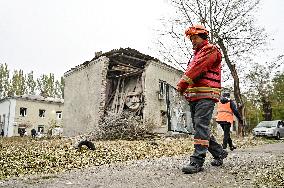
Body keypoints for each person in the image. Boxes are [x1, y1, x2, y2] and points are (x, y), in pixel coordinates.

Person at [176, 24, 228, 174]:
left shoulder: (210, 50)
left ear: (204, 37)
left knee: (200, 126)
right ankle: (219, 152)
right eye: (191, 39)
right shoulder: (196, 54)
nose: (192, 41)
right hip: (196, 95)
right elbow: (193, 74)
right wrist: (187, 91)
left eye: (195, 38)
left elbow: (196, 70)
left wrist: (181, 85)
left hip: (207, 94)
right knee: (200, 127)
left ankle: (197, 160)